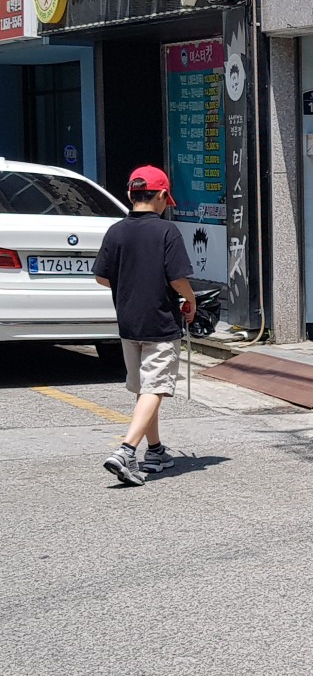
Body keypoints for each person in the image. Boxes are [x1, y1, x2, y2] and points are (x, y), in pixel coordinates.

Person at [96, 166, 197, 486]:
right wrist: (190, 299)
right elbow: (178, 278)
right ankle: (127, 450)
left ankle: (155, 451)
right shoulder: (167, 232)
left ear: (130, 194)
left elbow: (101, 276)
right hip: (160, 322)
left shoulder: (115, 231)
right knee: (156, 388)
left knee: (144, 389)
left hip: (128, 322)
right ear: (163, 196)